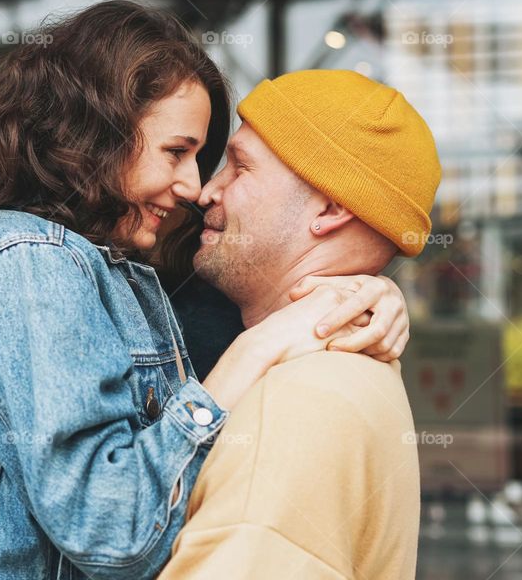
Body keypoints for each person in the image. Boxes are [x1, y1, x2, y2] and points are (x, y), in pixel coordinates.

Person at [0, 2, 410, 580]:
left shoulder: (116, 271)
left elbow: (263, 275)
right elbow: (109, 534)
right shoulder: (28, 260)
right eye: (177, 151)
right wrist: (255, 352)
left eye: (213, 160)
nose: (195, 186)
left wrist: (368, 289)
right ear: (96, 134)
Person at [158, 69, 442, 579]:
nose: (205, 191)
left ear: (331, 208)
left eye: (240, 168)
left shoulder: (295, 402)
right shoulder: (348, 367)